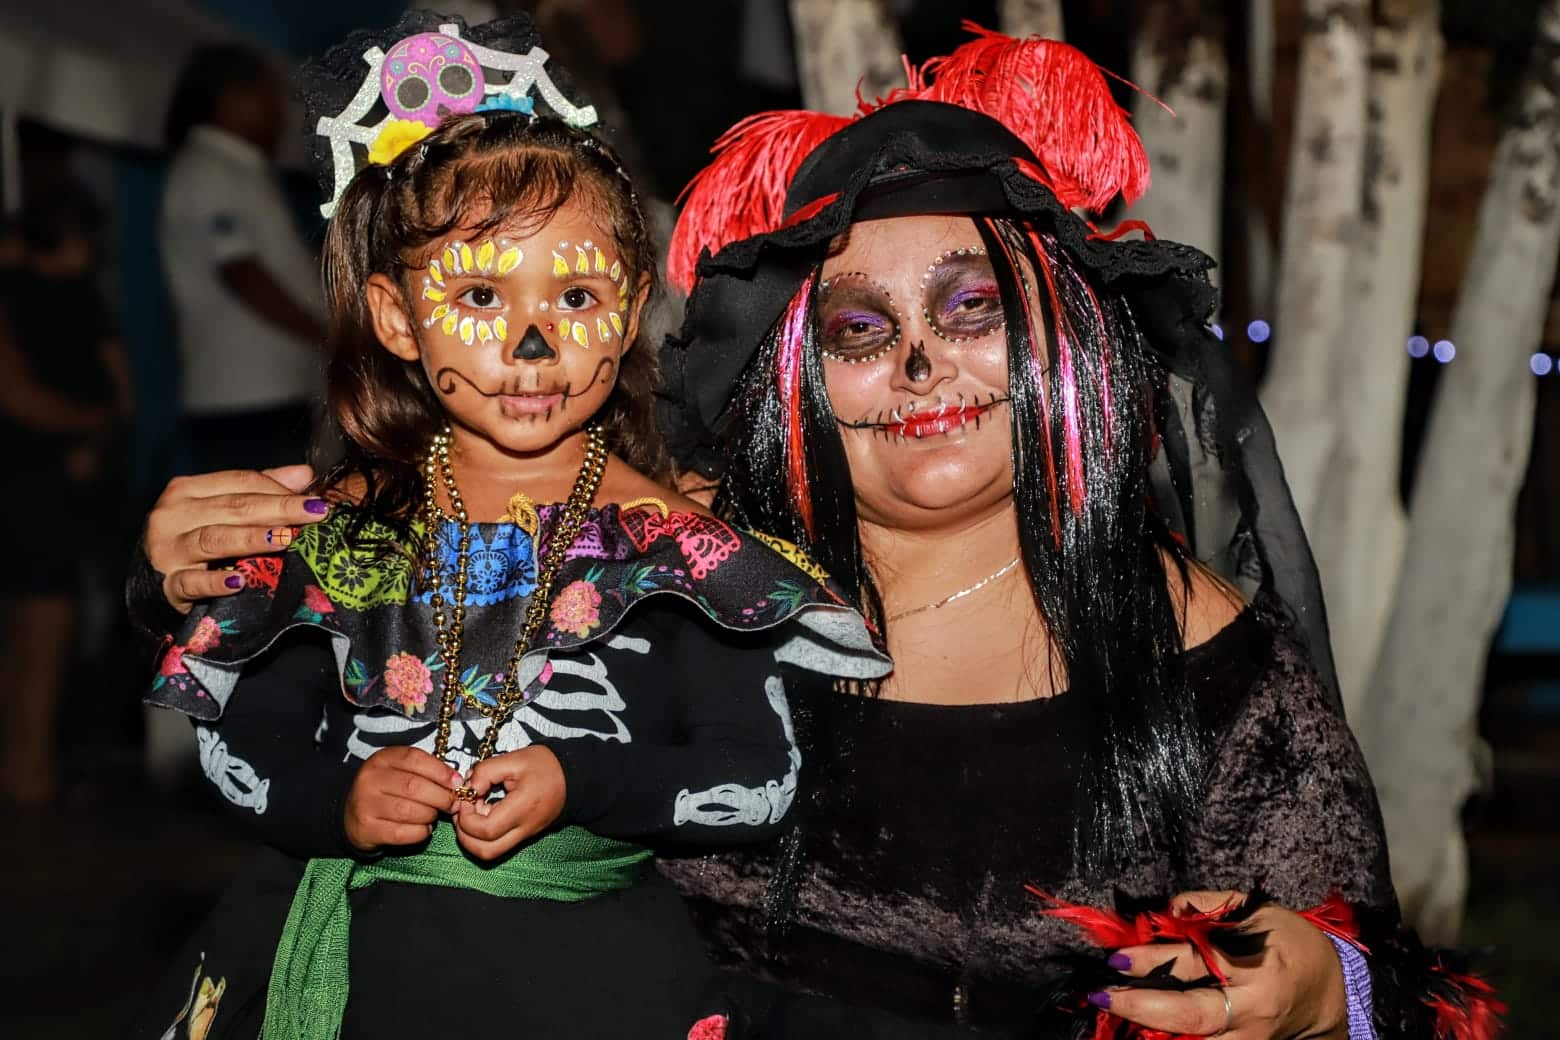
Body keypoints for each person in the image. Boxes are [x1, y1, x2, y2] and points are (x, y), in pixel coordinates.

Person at [131, 25, 1501, 1040]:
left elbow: (1378, 973)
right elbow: (361, 616)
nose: (918, 366)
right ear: (802, 378)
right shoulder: (678, 568)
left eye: (971, 311)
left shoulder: (1209, 662)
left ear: (1068, 342)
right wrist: (206, 564)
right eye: (859, 329)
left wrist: (1328, 992)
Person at [130, 14, 886, 1039]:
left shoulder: (680, 550)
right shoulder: (341, 536)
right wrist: (338, 801)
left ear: (626, 318)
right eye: (480, 293)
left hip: (596, 987)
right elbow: (239, 747)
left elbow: (763, 778)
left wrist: (585, 776)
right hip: (356, 978)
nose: (532, 342)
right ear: (397, 318)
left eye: (575, 294)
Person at [0, 190, 132, 805]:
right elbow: (21, 395)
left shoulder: (23, 294)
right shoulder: (69, 300)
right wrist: (91, 426)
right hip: (40, 487)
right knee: (44, 635)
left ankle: (24, 769)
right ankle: (30, 775)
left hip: (39, 481)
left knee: (28, 634)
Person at [160, 43, 326, 473]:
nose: (278, 111)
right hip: (246, 396)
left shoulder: (235, 170)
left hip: (269, 391)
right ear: (231, 97)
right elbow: (241, 271)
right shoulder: (210, 171)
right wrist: (324, 335)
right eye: (268, 96)